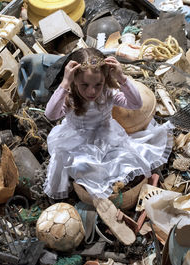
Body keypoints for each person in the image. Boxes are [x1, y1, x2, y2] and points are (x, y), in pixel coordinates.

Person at [43, 48, 173, 199]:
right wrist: (65, 82)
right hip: (76, 139)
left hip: (106, 135)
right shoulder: (70, 97)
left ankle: (109, 185)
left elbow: (136, 104)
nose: (91, 91)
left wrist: (122, 77)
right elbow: (50, 114)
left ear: (105, 79)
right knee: (81, 165)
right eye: (84, 85)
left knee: (122, 159)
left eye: (98, 84)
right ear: (74, 80)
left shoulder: (107, 92)